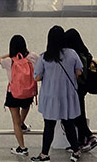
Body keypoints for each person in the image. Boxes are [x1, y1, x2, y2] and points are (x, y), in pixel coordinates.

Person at [32, 26, 83, 161]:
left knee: (49, 126)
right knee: (69, 124)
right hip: (67, 95)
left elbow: (37, 77)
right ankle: (76, 151)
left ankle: (44, 154)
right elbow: (79, 71)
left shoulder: (44, 57)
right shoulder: (71, 53)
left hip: (51, 96)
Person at [0, 35, 40, 156]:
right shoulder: (32, 57)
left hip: (13, 93)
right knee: (26, 106)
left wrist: (10, 54)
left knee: (15, 121)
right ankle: (22, 123)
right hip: (28, 92)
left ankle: (22, 147)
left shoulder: (8, 61)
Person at [63, 29, 97, 152]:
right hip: (83, 87)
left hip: (77, 88)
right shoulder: (84, 51)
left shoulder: (74, 55)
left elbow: (76, 73)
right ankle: (81, 141)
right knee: (80, 113)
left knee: (76, 115)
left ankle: (90, 136)